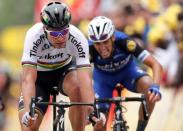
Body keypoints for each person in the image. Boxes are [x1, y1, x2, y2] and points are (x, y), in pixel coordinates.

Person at [18, 1, 95, 131]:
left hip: (64, 73)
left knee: (78, 87)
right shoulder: (33, 36)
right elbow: (28, 79)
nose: (60, 38)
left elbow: (85, 79)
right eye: (54, 34)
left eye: (64, 32)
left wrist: (91, 109)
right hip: (39, 79)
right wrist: (28, 111)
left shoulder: (77, 36)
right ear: (44, 29)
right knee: (29, 126)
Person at [87, 16, 163, 131]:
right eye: (97, 43)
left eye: (105, 41)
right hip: (103, 81)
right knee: (99, 122)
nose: (102, 47)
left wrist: (155, 87)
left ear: (112, 37)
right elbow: (81, 76)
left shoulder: (124, 42)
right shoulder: (89, 49)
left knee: (149, 86)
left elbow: (156, 64)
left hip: (128, 73)